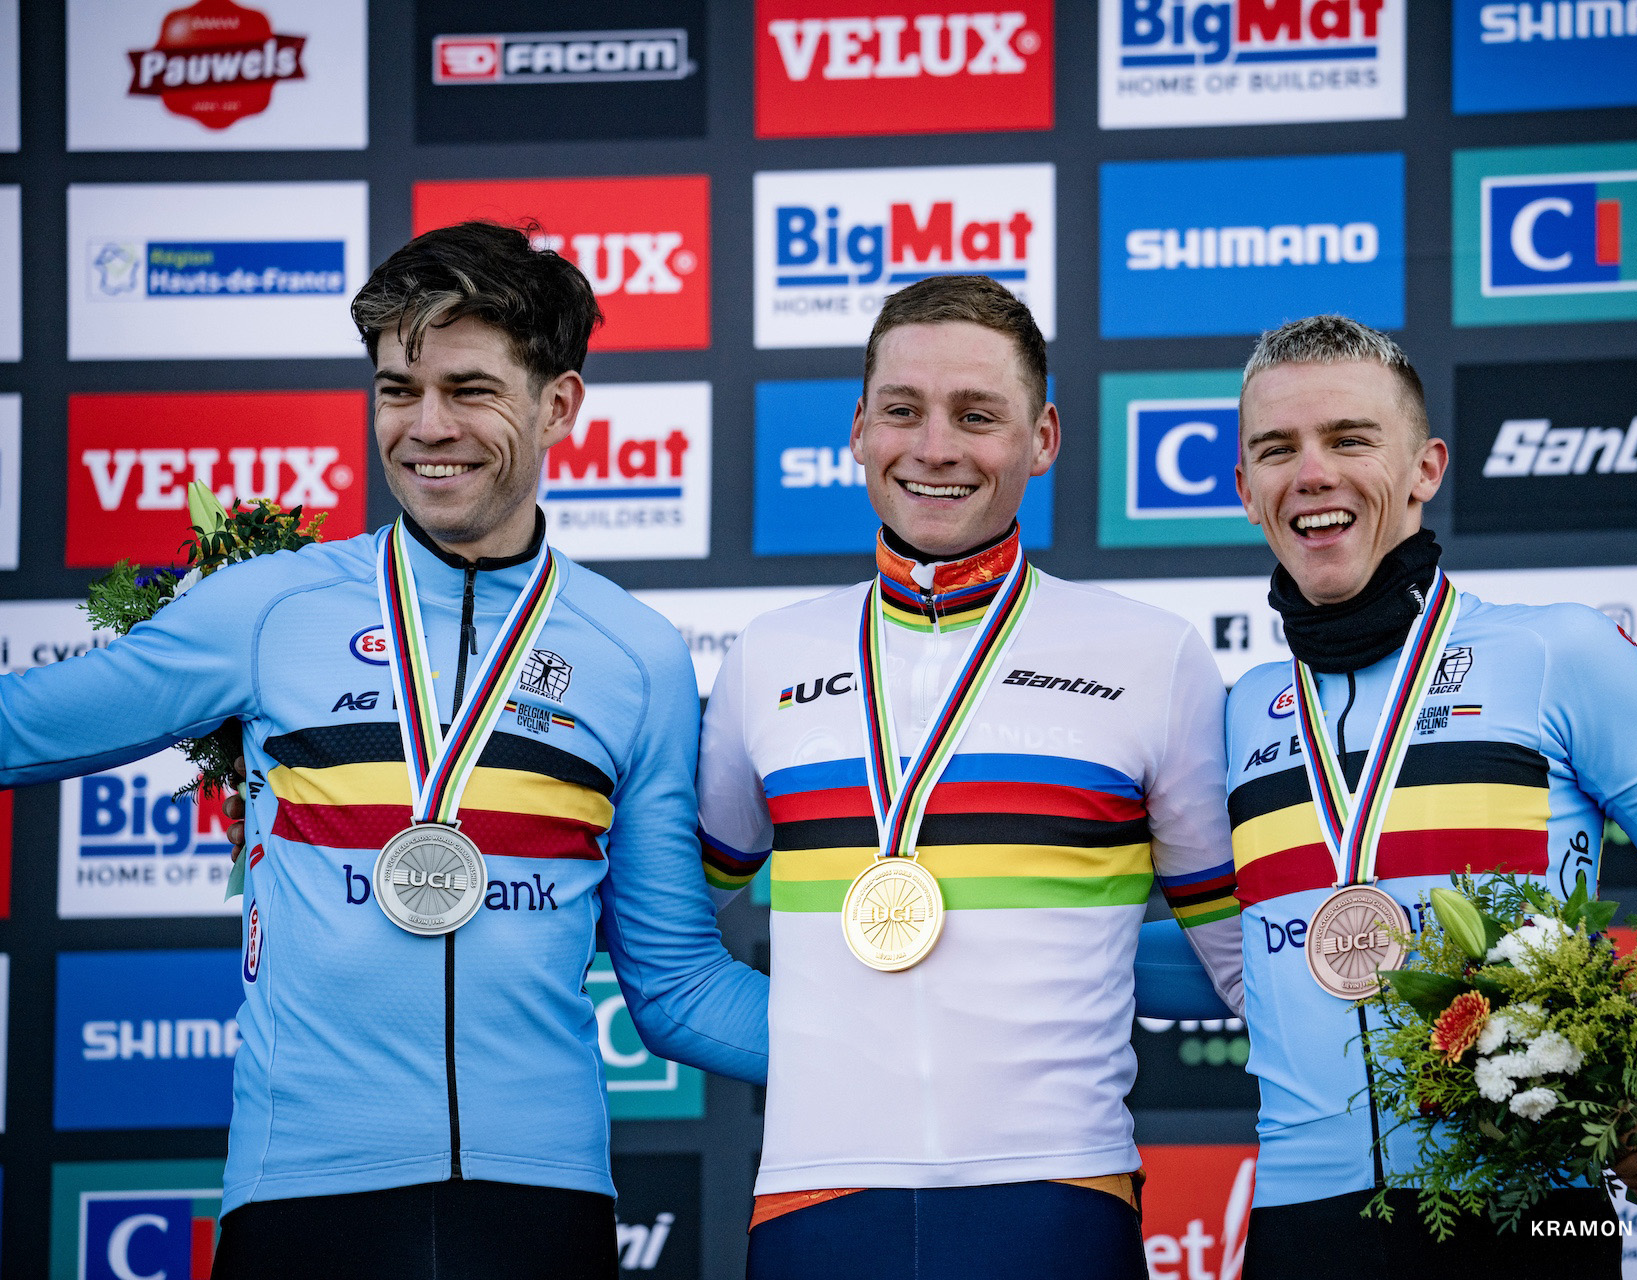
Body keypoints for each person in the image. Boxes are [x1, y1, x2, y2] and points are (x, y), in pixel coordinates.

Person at [0, 222, 768, 1278]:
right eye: (397, 388)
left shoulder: (634, 655)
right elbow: (23, 725)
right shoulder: (271, 609)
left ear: (559, 406)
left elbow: (676, 985)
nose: (426, 426)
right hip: (304, 1197)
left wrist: (936, 1050)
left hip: (542, 1206)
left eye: (469, 388)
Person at [1147, 315, 1637, 1277]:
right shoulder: (1241, 710)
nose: (1312, 472)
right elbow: (1247, 962)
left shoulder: (1557, 653)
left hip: (1525, 1210)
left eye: (1350, 439)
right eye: (1277, 450)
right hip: (1299, 1224)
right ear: (1245, 490)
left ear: (1425, 467)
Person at [693, 275, 1244, 1279]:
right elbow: (670, 943)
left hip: (1059, 1197)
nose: (935, 447)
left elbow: (1244, 957)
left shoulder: (1150, 656)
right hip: (816, 1196)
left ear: (1043, 439)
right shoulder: (764, 657)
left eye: (977, 415)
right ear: (859, 429)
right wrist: (827, 1044)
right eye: (903, 410)